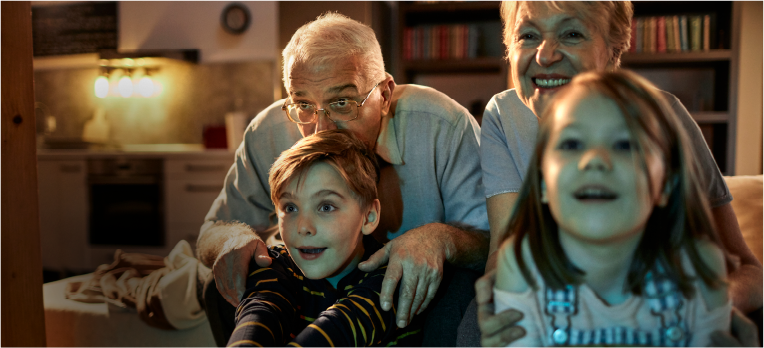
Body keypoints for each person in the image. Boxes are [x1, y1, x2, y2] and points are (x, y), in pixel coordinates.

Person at [458, 1, 762, 346]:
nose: (544, 55)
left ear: (614, 46)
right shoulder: (503, 114)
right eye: (528, 35)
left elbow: (749, 273)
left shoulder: (663, 116)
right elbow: (504, 253)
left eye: (571, 34)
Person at [198, 12, 489, 346]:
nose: (322, 130)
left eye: (342, 103)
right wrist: (232, 240)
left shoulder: (442, 126)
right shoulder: (268, 132)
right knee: (225, 277)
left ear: (385, 95)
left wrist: (438, 239)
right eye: (304, 104)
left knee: (462, 288)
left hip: (405, 288)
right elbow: (211, 232)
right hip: (308, 279)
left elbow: (494, 243)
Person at [494, 70, 732, 347]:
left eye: (624, 145)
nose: (595, 160)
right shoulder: (523, 266)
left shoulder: (698, 267)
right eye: (571, 144)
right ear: (543, 182)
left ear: (666, 183)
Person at [226, 130, 424, 347]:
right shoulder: (274, 267)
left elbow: (340, 328)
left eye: (326, 207)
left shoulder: (392, 277)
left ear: (369, 216)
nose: (304, 227)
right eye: (290, 207)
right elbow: (260, 312)